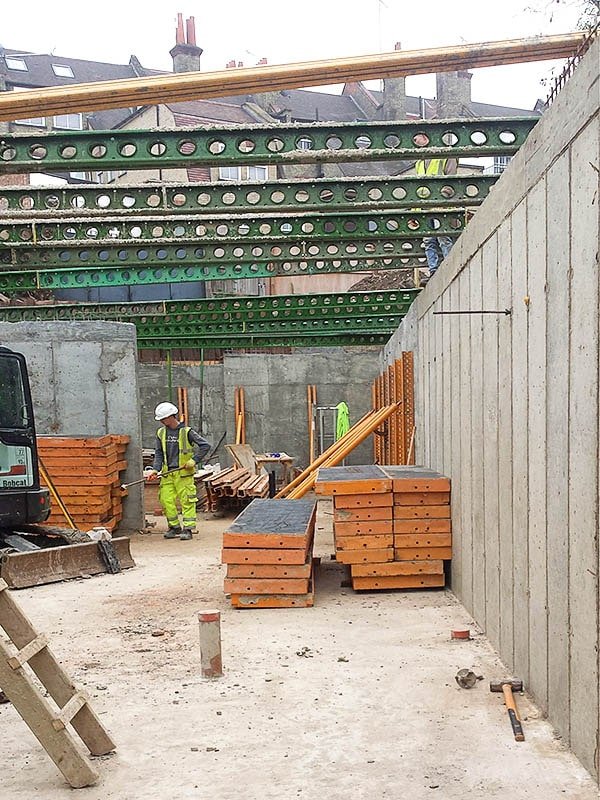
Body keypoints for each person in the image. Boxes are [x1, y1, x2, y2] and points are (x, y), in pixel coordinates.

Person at [146, 402, 210, 540]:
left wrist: (194, 461)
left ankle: (188, 529)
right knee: (165, 499)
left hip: (183, 474)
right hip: (167, 473)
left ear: (171, 416)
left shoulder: (187, 432)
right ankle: (174, 527)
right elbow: (158, 453)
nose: (162, 422)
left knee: (187, 500)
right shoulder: (161, 432)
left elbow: (205, 446)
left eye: (164, 419)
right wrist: (155, 469)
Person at [414, 139, 458, 281]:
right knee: (428, 240)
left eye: (417, 137)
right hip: (425, 207)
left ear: (427, 138)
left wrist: (443, 197)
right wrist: (415, 212)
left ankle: (450, 267)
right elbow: (416, 189)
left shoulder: (445, 155)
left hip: (440, 205)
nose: (415, 140)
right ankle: (434, 271)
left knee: (443, 237)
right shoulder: (419, 162)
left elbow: (451, 180)